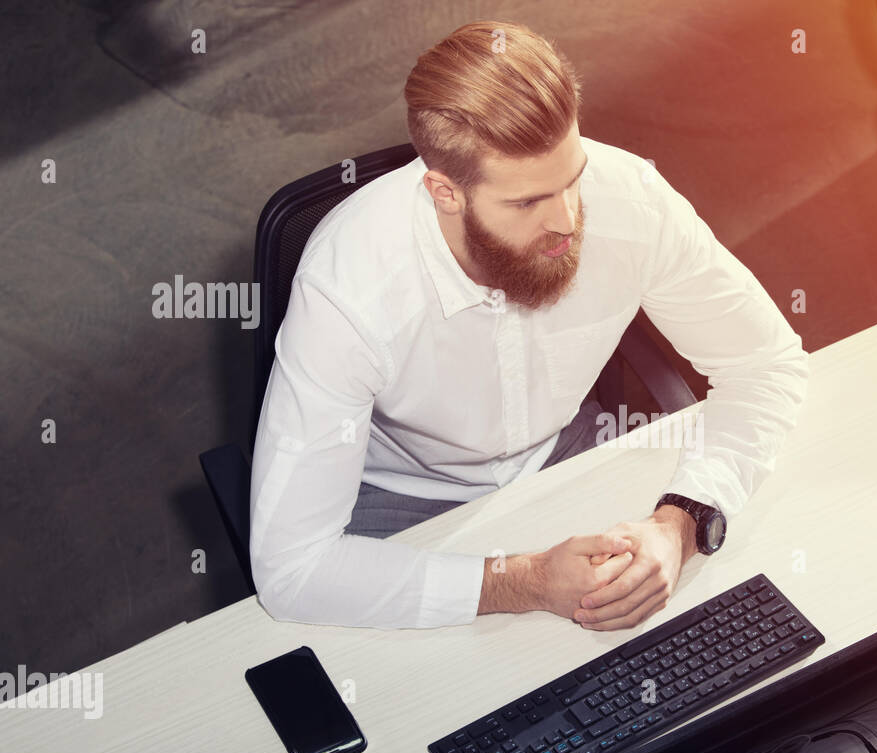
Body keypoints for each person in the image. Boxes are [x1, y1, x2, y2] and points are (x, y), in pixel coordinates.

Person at [248, 20, 808, 632]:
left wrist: (682, 522)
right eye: (526, 203)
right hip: (405, 499)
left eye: (570, 179)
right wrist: (524, 582)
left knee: (710, 634)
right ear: (444, 192)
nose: (569, 221)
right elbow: (292, 569)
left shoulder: (632, 201)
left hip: (565, 451)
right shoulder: (349, 286)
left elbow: (765, 364)